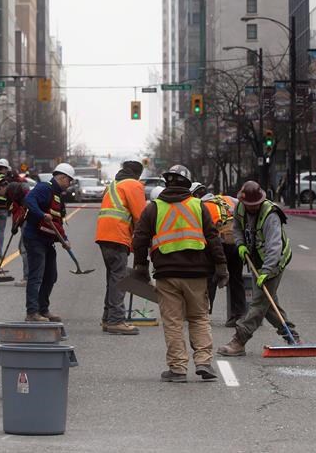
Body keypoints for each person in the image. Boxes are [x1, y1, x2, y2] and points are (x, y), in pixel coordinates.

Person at [133, 165, 228, 383]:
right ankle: (204, 362)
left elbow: (140, 239)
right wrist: (221, 266)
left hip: (167, 273)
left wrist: (140, 266)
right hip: (197, 273)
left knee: (173, 321)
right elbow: (213, 238)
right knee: (199, 317)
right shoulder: (198, 206)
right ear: (188, 184)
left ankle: (178, 369)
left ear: (167, 184)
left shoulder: (153, 208)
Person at [218, 181, 298, 357]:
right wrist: (240, 245)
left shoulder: (271, 215)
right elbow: (237, 227)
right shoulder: (239, 208)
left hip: (275, 261)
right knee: (267, 304)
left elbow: (274, 247)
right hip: (256, 259)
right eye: (249, 206)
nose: (251, 208)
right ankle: (291, 336)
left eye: (255, 205)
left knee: (258, 302)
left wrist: (267, 271)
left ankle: (239, 340)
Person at [95, 160, 147, 335]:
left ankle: (108, 318)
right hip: (117, 235)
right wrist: (143, 241)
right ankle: (116, 321)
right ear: (138, 174)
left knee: (113, 277)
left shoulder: (113, 184)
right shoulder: (134, 185)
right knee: (119, 278)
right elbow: (140, 216)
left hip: (104, 235)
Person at [22, 163, 75, 322]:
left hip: (47, 241)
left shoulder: (57, 195)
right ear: (62, 177)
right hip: (35, 238)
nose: (70, 184)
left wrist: (64, 239)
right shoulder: (45, 188)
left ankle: (43, 309)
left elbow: (57, 222)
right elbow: (29, 200)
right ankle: (32, 312)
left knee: (51, 275)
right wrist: (41, 214)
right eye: (69, 181)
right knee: (36, 275)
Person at [202, 190, 244, 327]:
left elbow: (204, 231)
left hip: (219, 242)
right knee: (236, 279)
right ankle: (238, 315)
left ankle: (205, 314)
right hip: (236, 241)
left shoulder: (203, 205)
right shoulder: (229, 199)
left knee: (211, 278)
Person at [5, 175, 33, 284]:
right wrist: (14, 226)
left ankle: (27, 278)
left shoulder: (22, 197)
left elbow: (21, 213)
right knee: (25, 249)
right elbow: (15, 213)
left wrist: (15, 226)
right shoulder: (18, 195)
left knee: (24, 249)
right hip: (26, 223)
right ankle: (31, 277)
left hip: (28, 224)